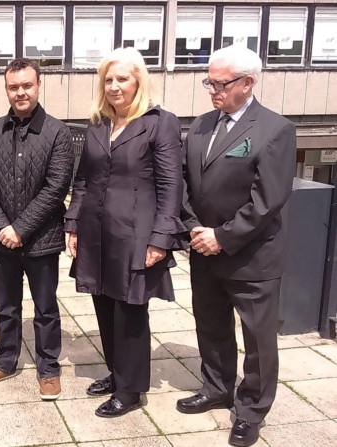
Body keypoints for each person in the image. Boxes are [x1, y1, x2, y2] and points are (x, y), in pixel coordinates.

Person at [178, 45, 296, 447]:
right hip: (203, 250)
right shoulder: (201, 125)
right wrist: (195, 227)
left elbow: (268, 199)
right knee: (210, 327)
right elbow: (184, 183)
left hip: (251, 256)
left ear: (248, 83)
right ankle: (216, 387)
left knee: (257, 341)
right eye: (209, 81)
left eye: (221, 83)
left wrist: (222, 237)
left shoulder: (276, 129)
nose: (213, 90)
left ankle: (251, 410)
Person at [64, 47, 186, 418]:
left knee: (130, 310)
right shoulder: (99, 122)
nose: (115, 86)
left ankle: (130, 390)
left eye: (122, 79)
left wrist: (161, 239)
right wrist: (73, 224)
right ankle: (118, 374)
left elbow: (171, 185)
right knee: (103, 302)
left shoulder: (159, 122)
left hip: (137, 234)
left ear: (138, 81)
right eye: (109, 80)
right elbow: (83, 179)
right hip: (97, 232)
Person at [0, 58, 74, 400]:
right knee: (6, 306)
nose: (21, 93)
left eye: (27, 85)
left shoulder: (58, 132)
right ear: (6, 89)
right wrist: (2, 226)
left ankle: (48, 368)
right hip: (0, 240)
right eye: (14, 87)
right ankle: (5, 360)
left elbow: (56, 186)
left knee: (45, 308)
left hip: (41, 240)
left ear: (38, 85)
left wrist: (20, 228)